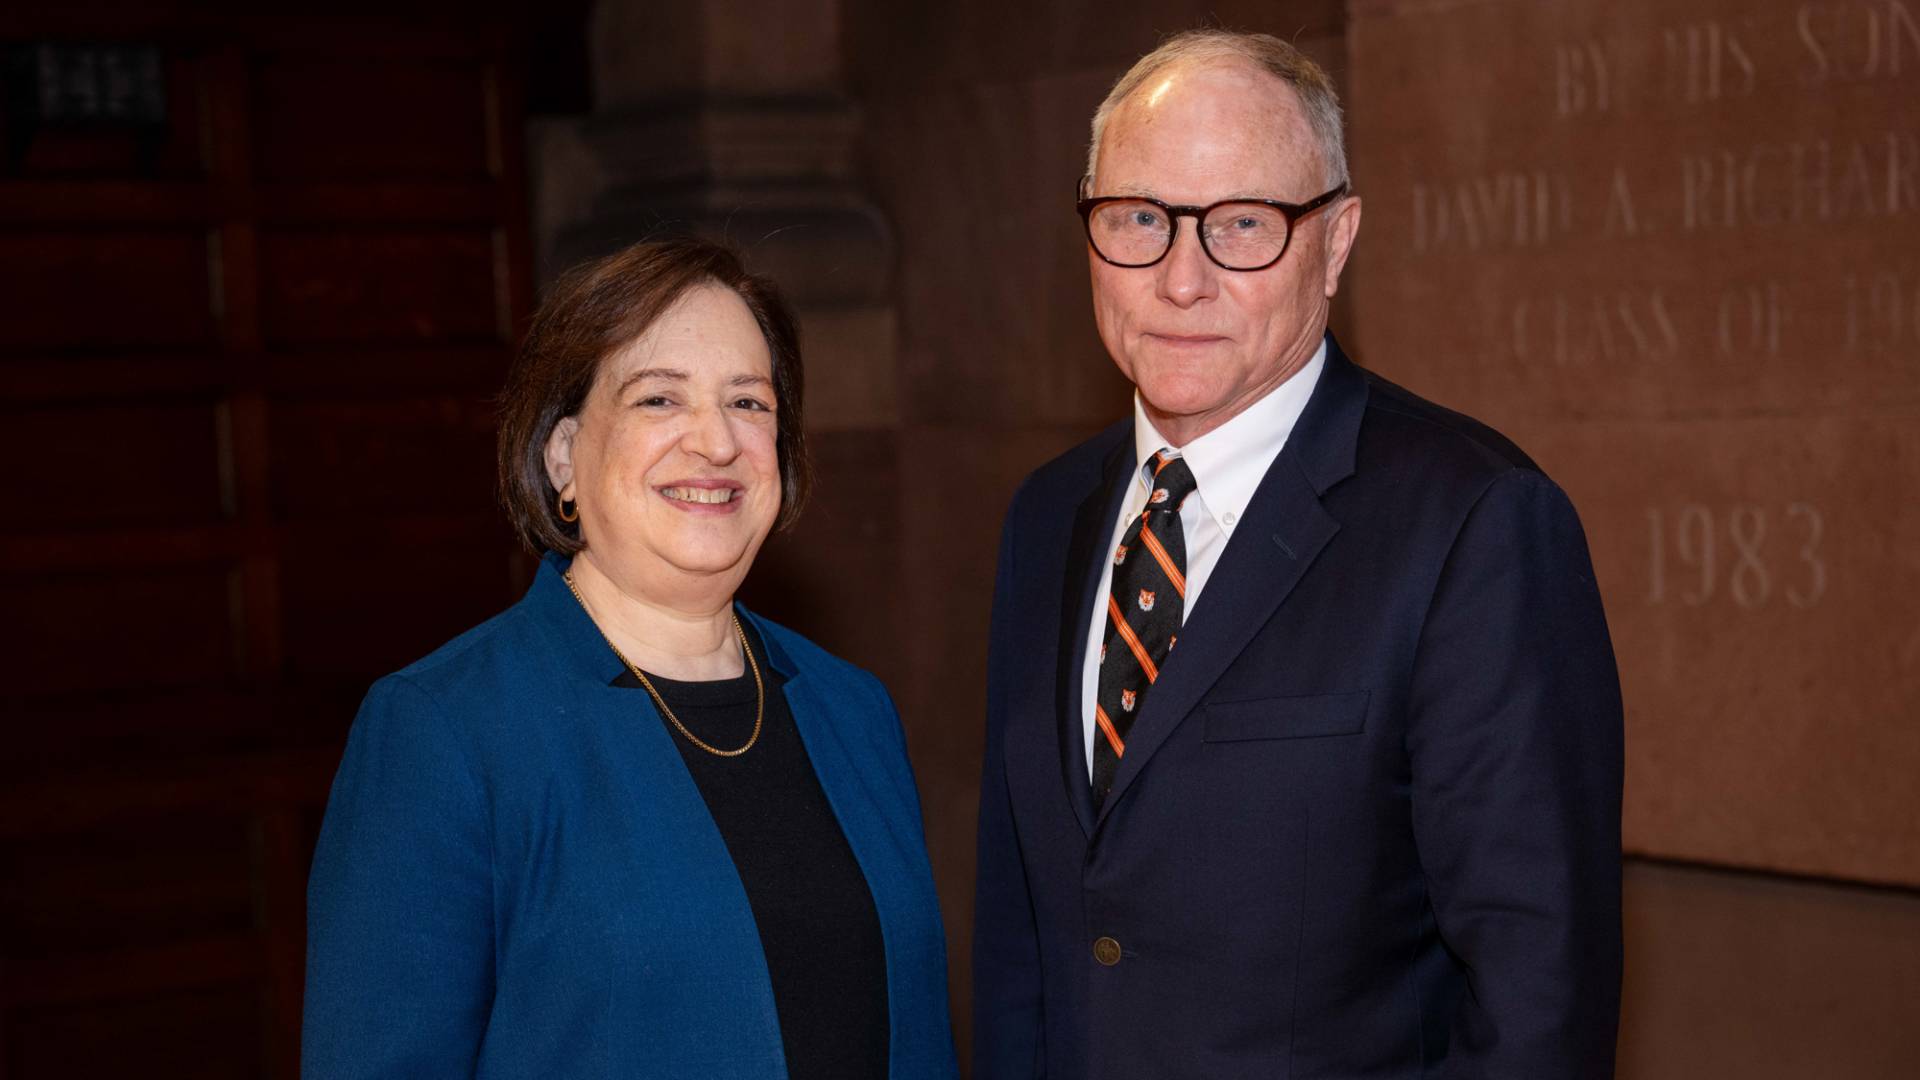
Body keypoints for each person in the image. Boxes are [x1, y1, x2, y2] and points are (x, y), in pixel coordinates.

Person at [972, 29, 1623, 1079]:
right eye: (1139, 218)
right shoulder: (1047, 517)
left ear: (1336, 241)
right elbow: (1023, 934)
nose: (1181, 279)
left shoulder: (1474, 522)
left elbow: (1538, 990)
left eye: (1242, 225)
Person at [303, 236, 957, 1079]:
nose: (715, 443)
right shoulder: (444, 732)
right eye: (658, 400)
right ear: (563, 454)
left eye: (750, 404)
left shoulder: (851, 709)